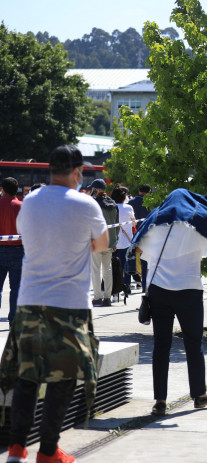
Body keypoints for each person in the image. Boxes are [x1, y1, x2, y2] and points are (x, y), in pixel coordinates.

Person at [1, 145, 109, 463]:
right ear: (76, 172)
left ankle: (17, 447)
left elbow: (25, 234)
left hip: (30, 301)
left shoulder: (30, 201)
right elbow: (100, 245)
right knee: (62, 380)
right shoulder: (86, 204)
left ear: (50, 170)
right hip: (70, 305)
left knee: (27, 376)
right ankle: (48, 451)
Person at [132, 189, 207, 417]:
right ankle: (200, 394)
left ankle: (160, 401)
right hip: (189, 291)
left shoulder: (153, 223)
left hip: (158, 291)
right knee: (194, 345)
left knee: (160, 347)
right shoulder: (196, 225)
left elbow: (140, 248)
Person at [88, 179, 119, 308]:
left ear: (95, 189)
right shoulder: (113, 203)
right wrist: (115, 241)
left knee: (96, 270)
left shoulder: (93, 204)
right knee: (108, 270)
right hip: (110, 241)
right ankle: (107, 298)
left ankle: (97, 298)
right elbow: (117, 225)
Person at [0, 177, 23, 322]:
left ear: (3, 189)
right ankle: (14, 320)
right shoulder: (22, 206)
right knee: (16, 288)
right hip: (18, 251)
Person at [112, 187, 136, 299]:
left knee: (113, 266)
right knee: (126, 265)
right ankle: (126, 287)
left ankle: (113, 288)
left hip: (113, 242)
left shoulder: (111, 207)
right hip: (126, 241)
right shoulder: (128, 207)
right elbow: (134, 223)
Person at [129, 184, 151, 285]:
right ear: (149, 192)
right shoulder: (150, 202)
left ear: (139, 191)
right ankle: (146, 280)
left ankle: (135, 280)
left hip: (133, 231)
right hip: (147, 232)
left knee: (132, 256)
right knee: (146, 257)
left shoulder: (131, 202)